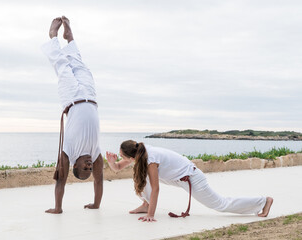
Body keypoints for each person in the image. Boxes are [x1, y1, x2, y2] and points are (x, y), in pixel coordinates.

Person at [106, 140, 273, 222]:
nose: (121, 158)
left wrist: (151, 216)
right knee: (141, 176)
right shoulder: (140, 153)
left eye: (122, 155)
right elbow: (118, 168)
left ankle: (263, 201)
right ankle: (145, 204)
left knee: (220, 204)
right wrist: (112, 162)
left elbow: (156, 188)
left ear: (132, 155)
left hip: (192, 179)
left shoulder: (150, 159)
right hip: (178, 179)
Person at [41, 16, 103, 214]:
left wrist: (58, 207)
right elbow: (99, 180)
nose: (89, 167)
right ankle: (70, 38)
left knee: (62, 65)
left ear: (75, 165)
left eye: (84, 168)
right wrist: (96, 204)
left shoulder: (68, 152)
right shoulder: (95, 154)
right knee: (81, 66)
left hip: (72, 99)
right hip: (90, 97)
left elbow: (60, 181)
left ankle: (53, 37)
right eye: (89, 169)